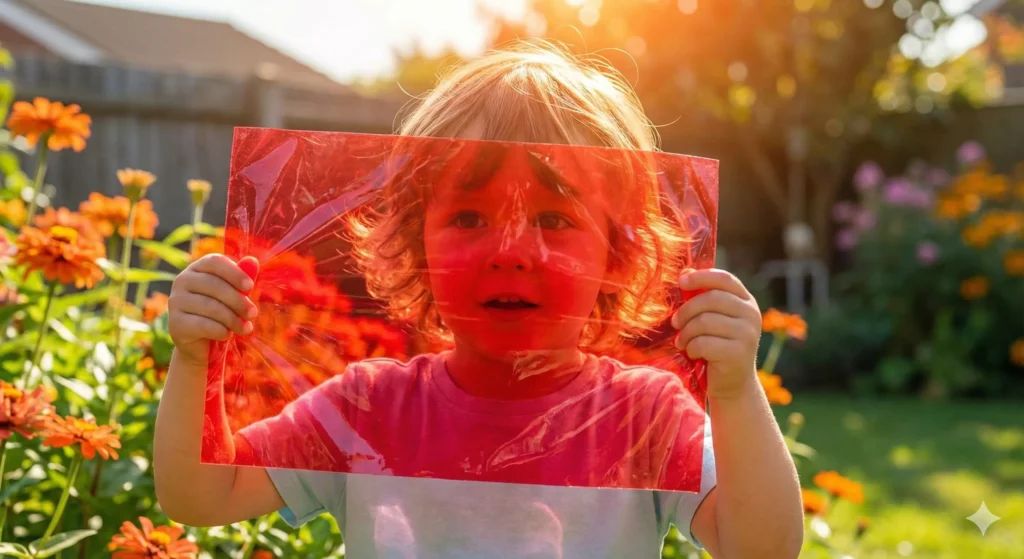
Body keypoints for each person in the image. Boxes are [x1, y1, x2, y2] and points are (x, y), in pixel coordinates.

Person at [154, 40, 803, 558]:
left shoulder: (645, 416)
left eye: (554, 220)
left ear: (618, 251)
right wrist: (195, 360)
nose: (511, 251)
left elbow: (762, 547)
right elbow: (203, 495)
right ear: (415, 240)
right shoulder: (368, 405)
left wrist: (738, 392)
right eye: (469, 217)